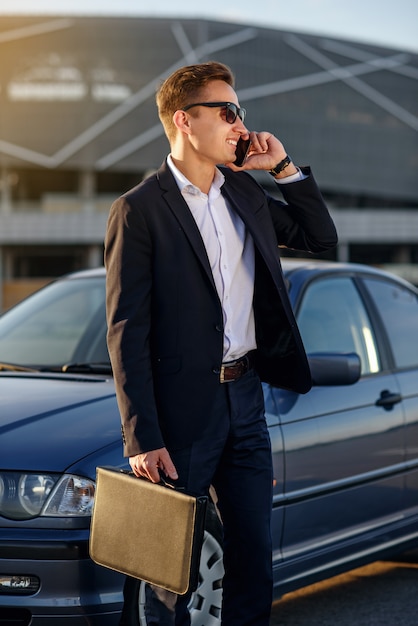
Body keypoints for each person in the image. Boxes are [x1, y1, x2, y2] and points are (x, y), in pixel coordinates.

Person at [105, 61, 337, 626]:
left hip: (246, 401)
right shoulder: (139, 210)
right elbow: (125, 329)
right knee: (168, 574)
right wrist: (142, 437)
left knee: (252, 556)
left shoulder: (244, 194)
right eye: (228, 112)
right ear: (185, 121)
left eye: (241, 112)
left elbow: (319, 238)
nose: (240, 125)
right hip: (180, 412)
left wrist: (280, 167)